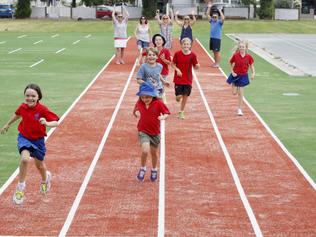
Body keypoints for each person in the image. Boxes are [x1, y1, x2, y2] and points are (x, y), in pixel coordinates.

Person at [0, 84, 59, 205]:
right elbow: (17, 114)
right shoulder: (23, 107)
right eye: (27, 95)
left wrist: (47, 123)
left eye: (33, 96)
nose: (30, 98)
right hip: (24, 138)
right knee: (25, 160)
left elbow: (56, 122)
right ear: (24, 96)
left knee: (40, 166)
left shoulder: (42, 109)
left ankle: (45, 179)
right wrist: (8, 124)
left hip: (38, 141)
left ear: (38, 97)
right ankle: (20, 188)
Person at [133, 82, 170, 182]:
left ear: (153, 95)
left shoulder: (158, 103)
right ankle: (143, 168)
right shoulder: (140, 102)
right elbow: (135, 110)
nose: (145, 99)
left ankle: (154, 169)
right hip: (143, 131)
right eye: (143, 97)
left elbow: (167, 113)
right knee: (145, 150)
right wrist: (136, 113)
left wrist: (163, 117)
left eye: (147, 97)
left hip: (155, 133)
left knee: (154, 153)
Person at [172, 37, 200, 119]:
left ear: (190, 45)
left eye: (187, 44)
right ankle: (177, 97)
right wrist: (177, 70)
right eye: (184, 44)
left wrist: (197, 66)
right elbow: (172, 64)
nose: (186, 46)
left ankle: (181, 112)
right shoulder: (177, 54)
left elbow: (195, 67)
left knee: (185, 96)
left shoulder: (193, 55)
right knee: (178, 97)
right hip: (178, 78)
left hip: (188, 79)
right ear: (181, 45)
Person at [226, 40, 255, 116]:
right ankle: (233, 84)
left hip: (243, 76)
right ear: (238, 47)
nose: (241, 48)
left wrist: (253, 73)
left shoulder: (249, 57)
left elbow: (252, 66)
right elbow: (230, 63)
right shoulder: (235, 56)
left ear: (246, 48)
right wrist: (232, 72)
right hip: (235, 75)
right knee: (234, 93)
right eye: (240, 47)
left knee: (241, 93)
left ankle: (239, 109)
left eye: (243, 47)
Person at [152, 34, 172, 102]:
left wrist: (164, 59)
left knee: (160, 89)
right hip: (153, 74)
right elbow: (146, 58)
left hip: (163, 73)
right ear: (154, 42)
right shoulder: (152, 51)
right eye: (156, 40)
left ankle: (162, 103)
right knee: (155, 89)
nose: (158, 41)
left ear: (163, 41)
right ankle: (160, 102)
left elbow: (169, 63)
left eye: (160, 40)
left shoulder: (166, 51)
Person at [206, 1, 225, 68]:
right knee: (214, 51)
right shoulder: (211, 21)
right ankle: (215, 62)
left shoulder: (219, 22)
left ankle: (217, 64)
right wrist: (209, 7)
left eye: (215, 17)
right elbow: (207, 14)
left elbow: (223, 18)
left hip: (217, 39)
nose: (214, 18)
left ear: (217, 17)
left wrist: (220, 10)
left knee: (217, 52)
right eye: (213, 17)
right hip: (212, 38)